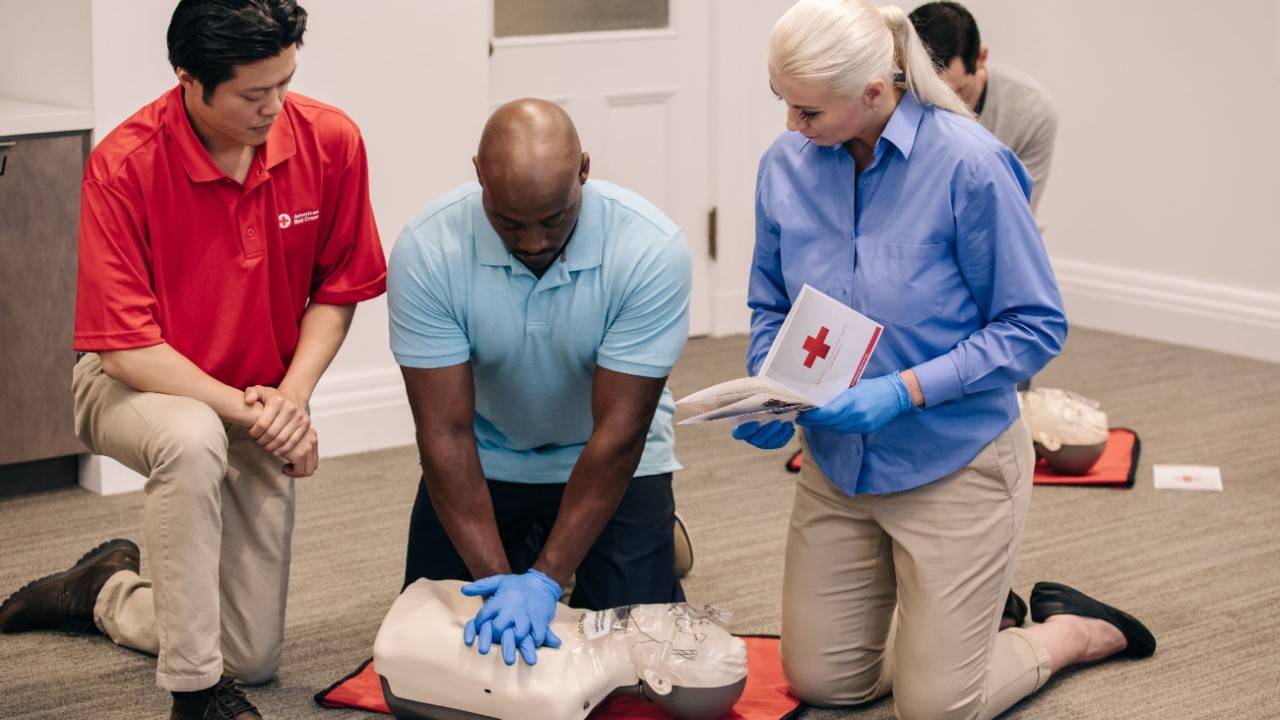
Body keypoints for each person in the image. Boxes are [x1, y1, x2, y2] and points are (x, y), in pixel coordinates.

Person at [731, 1, 1155, 717]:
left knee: (935, 712)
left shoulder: (971, 164)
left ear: (874, 90)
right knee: (826, 682)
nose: (789, 128)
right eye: (783, 102)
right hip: (840, 464)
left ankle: (1070, 632)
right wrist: (772, 386)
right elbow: (771, 304)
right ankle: (957, 631)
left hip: (956, 464)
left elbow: (1034, 325)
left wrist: (903, 391)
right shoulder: (786, 165)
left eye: (807, 111)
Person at [0, 1, 387, 717]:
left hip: (260, 399)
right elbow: (129, 351)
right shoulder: (123, 165)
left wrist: (291, 402)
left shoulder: (330, 140)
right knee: (191, 435)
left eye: (285, 83)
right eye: (252, 94)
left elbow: (338, 291)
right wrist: (262, 415)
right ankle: (195, 692)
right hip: (129, 385)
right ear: (189, 78)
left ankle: (106, 590)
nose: (274, 107)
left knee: (252, 656)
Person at [388, 99, 692, 669]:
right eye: (509, 222)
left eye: (553, 220)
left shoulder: (650, 248)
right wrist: (500, 585)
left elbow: (620, 434)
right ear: (477, 173)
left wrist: (546, 582)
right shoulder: (428, 249)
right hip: (487, 459)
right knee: (435, 653)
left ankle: (645, 541)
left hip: (612, 457)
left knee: (627, 663)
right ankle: (538, 547)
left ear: (584, 170)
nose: (532, 243)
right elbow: (445, 434)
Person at [375, 579, 747, 720]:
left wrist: (539, 581)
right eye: (693, 619)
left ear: (660, 681)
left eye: (682, 634)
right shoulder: (590, 638)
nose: (674, 615)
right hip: (494, 466)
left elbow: (407, 636)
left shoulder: (562, 688)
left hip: (412, 627)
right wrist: (535, 580)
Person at [910, 1, 1057, 215]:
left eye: (955, 92)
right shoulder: (895, 97)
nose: (939, 106)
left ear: (981, 58)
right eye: (924, 94)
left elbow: (1014, 217)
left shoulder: (1032, 110)